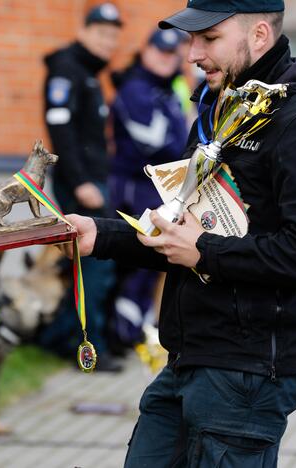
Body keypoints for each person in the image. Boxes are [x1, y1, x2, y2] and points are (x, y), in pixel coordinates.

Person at [64, 0, 296, 466]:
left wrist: (204, 251)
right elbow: (184, 237)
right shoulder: (222, 109)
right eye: (191, 38)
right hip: (186, 360)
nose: (192, 53)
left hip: (247, 376)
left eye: (209, 39)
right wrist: (101, 236)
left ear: (259, 35)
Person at [38, 2, 123, 371]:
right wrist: (82, 182)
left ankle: (64, 340)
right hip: (82, 187)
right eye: (102, 33)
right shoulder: (66, 70)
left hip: (94, 183)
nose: (109, 42)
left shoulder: (87, 73)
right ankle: (86, 346)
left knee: (95, 266)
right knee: (95, 268)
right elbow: (61, 133)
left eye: (114, 36)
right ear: (84, 31)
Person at [107, 28, 189, 347]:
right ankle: (119, 335)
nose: (165, 59)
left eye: (171, 54)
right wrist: (185, 151)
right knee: (134, 264)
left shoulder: (166, 90)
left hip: (161, 190)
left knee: (151, 265)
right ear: (145, 52)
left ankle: (133, 333)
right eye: (159, 52)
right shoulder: (136, 89)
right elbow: (156, 143)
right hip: (134, 189)